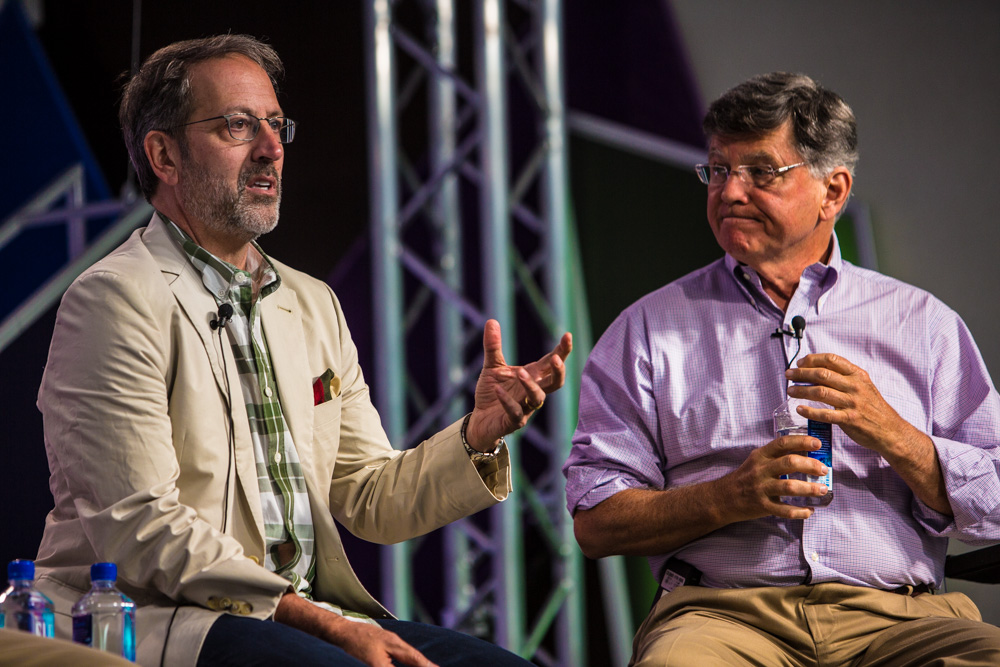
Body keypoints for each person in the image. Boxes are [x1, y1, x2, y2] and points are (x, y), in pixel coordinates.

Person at [33, 35, 572, 667]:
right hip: (167, 619)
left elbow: (370, 495)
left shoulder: (312, 303)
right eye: (238, 126)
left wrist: (476, 436)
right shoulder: (114, 300)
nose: (271, 148)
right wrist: (325, 624)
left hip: (305, 618)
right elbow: (141, 528)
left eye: (276, 125)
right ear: (164, 155)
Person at [563, 72, 1000, 666]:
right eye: (719, 170)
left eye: (761, 172)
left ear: (833, 192)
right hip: (723, 616)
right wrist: (730, 496)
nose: (730, 192)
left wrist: (896, 435)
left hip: (901, 618)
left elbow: (994, 504)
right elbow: (596, 524)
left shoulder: (923, 324)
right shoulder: (645, 329)